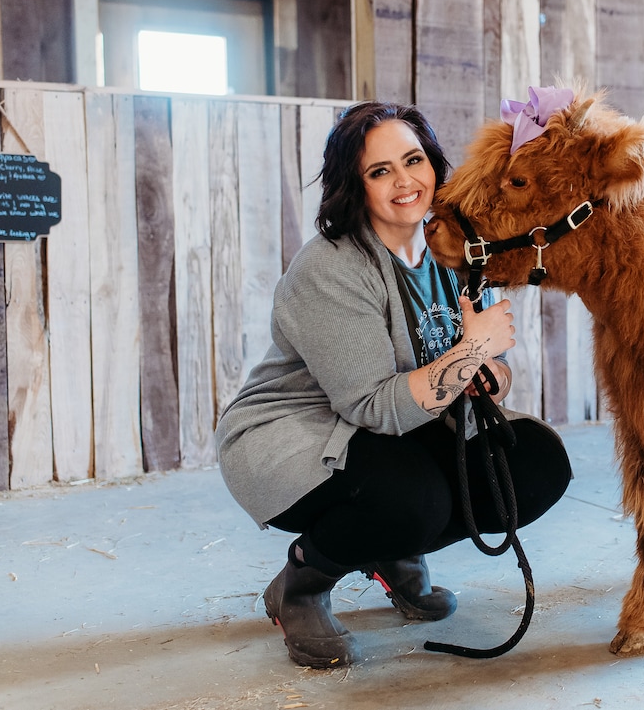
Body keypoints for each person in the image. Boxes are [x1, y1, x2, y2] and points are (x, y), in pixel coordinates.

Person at [214, 101, 572, 669]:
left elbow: (478, 367)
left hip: (404, 430)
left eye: (414, 160)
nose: (405, 181)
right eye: (380, 171)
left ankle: (390, 548)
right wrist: (473, 349)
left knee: (535, 464)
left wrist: (489, 374)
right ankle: (302, 582)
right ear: (354, 187)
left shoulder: (455, 249)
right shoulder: (331, 267)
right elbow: (372, 405)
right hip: (303, 433)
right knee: (413, 501)